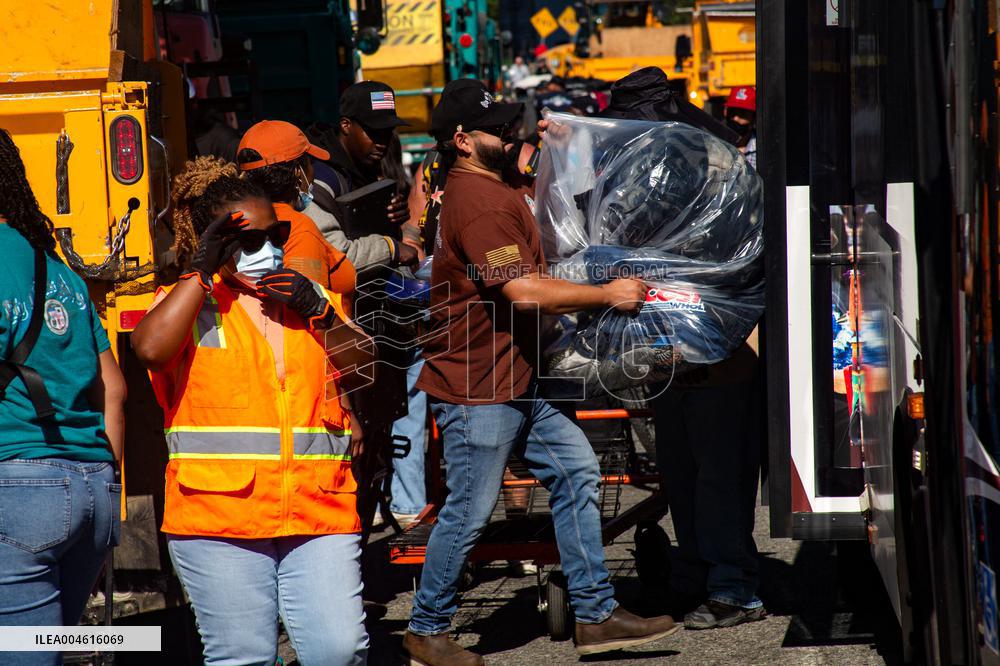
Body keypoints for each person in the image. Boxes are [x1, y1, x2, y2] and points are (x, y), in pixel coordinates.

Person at [401, 79, 678, 665]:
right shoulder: (478, 203)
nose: (511, 135)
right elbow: (523, 291)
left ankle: (595, 615)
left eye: (511, 126)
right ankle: (426, 629)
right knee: (469, 512)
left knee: (577, 472)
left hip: (514, 379)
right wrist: (606, 295)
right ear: (462, 141)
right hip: (479, 388)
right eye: (498, 130)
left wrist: (564, 148)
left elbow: (546, 202)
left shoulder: (494, 186)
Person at [131, 161, 368, 665]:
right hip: (218, 519)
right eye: (250, 239)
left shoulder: (311, 299)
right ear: (216, 243)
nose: (270, 249)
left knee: (339, 651)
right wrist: (199, 273)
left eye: (276, 235)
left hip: (317, 510)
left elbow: (366, 365)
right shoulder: (189, 303)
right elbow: (150, 349)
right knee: (244, 657)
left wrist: (320, 312)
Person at [0, 129, 126, 664]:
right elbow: (114, 388)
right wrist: (108, 486)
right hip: (93, 488)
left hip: (20, 490)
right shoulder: (60, 272)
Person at [304, 81, 418, 270]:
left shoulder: (363, 164)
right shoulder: (321, 178)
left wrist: (392, 220)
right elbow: (334, 254)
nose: (382, 142)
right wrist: (391, 248)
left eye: (387, 133)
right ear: (346, 125)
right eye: (374, 133)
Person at [234, 120, 358, 294]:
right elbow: (309, 304)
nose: (313, 172)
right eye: (310, 163)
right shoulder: (300, 229)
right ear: (298, 172)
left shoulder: (235, 222)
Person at [723, 85, 757, 169]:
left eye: (743, 114)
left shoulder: (762, 150)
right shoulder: (716, 145)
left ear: (754, 117)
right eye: (732, 112)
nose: (735, 118)